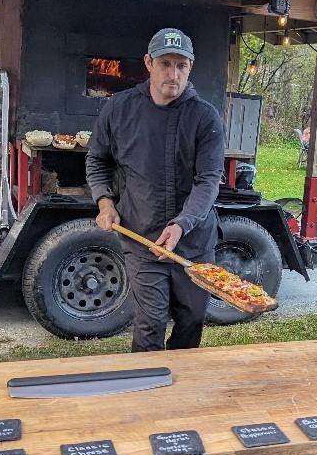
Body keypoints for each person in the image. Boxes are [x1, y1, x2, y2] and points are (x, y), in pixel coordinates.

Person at [86, 27, 224, 352]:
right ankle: (147, 382)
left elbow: (208, 180)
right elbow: (97, 159)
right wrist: (105, 202)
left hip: (193, 241)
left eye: (181, 65)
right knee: (151, 321)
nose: (173, 74)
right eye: (165, 64)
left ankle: (179, 380)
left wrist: (181, 224)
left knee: (192, 320)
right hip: (142, 238)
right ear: (149, 63)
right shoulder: (118, 109)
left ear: (190, 67)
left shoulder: (205, 117)